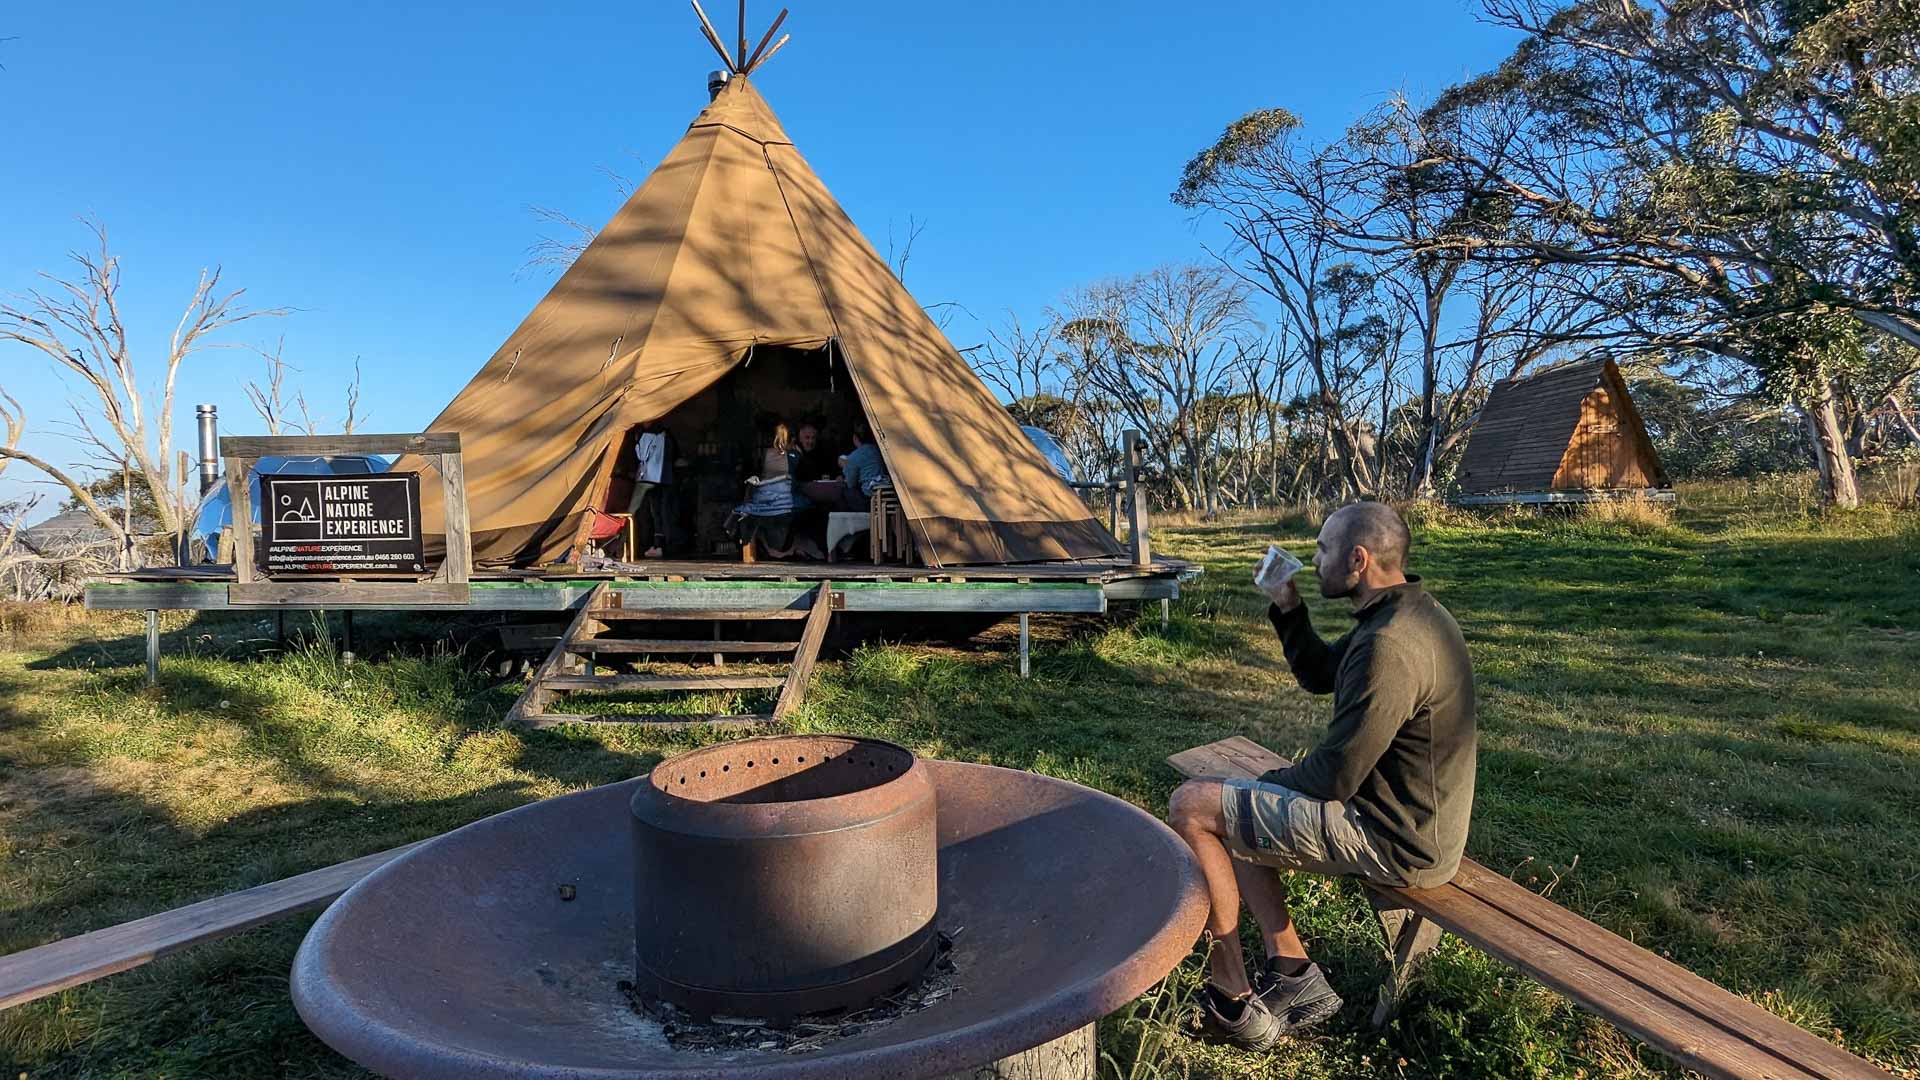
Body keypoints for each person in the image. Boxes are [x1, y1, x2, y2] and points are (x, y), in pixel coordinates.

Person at [1166, 501, 1476, 1050]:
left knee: (1194, 806)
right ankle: (1292, 972)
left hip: (1395, 839)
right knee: (1229, 807)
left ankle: (1231, 996)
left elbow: (1333, 778)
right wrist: (1287, 605)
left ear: (1358, 560)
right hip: (1412, 823)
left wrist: (1256, 788)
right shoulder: (1403, 614)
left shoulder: (1390, 646)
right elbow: (1319, 674)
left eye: (1324, 549)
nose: (1314, 557)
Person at [625, 419, 677, 559]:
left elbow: (642, 455)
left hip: (647, 476)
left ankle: (622, 544)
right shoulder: (666, 433)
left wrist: (637, 441)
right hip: (664, 477)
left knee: (631, 511)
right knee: (659, 512)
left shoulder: (646, 434)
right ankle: (659, 545)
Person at [840, 424, 889, 506]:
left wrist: (844, 467)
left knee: (843, 492)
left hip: (869, 495)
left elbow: (851, 483)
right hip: (887, 491)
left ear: (855, 438)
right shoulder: (881, 451)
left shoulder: (855, 456)